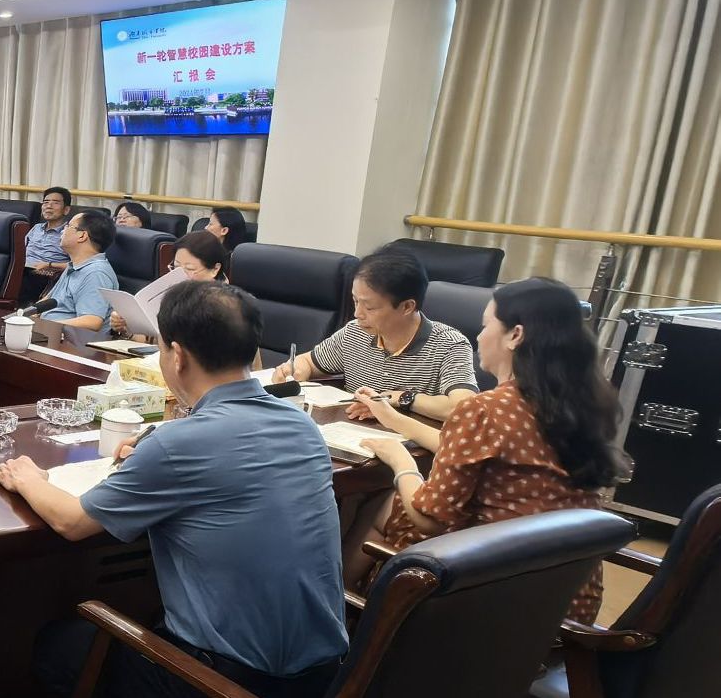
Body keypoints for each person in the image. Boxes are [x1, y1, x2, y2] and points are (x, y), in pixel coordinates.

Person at [0, 282, 347, 698]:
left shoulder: (177, 445)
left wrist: (28, 479)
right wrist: (159, 448)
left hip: (225, 682)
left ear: (177, 356)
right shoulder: (302, 426)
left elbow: (71, 522)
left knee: (59, 646)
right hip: (322, 678)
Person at [347, 278, 628, 624]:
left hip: (493, 595)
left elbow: (430, 518)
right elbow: (484, 449)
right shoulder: (581, 401)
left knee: (385, 504)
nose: (479, 338)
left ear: (515, 335)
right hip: (564, 599)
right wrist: (394, 419)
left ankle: (344, 619)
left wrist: (401, 462)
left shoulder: (485, 409)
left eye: (485, 326)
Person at [271, 247, 478, 423]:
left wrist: (397, 398)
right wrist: (296, 370)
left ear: (407, 306)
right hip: (350, 437)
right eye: (355, 301)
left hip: (411, 450)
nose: (357, 314)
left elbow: (462, 408)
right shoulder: (355, 332)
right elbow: (309, 361)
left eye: (369, 307)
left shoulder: (449, 344)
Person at [109, 231, 228, 339]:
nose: (180, 275)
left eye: (190, 268)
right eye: (176, 267)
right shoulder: (172, 293)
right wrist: (126, 327)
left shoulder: (223, 306)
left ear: (215, 269)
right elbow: (155, 340)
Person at [40, 210, 119, 331]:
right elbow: (49, 299)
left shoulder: (95, 273)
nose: (62, 230)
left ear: (82, 236)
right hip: (49, 333)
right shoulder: (75, 265)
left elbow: (91, 322)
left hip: (69, 339)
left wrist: (45, 326)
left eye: (68, 226)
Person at [19, 186, 74, 305]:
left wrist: (49, 265)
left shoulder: (69, 233)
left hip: (47, 276)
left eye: (55, 202)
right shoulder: (36, 228)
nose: (49, 206)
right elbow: (20, 251)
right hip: (22, 271)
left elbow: (77, 265)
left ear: (66, 209)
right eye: (46, 202)